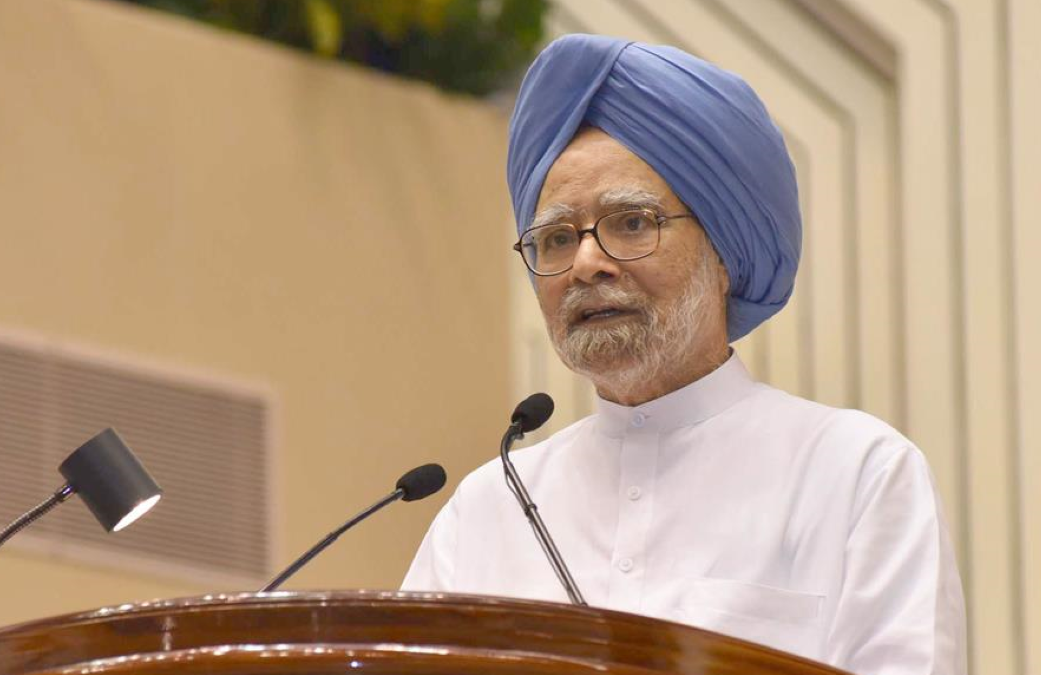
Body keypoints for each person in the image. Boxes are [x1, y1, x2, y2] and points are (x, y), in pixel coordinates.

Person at [401, 34, 966, 674]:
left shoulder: (853, 472)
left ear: (724, 252)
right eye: (556, 238)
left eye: (632, 223)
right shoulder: (486, 510)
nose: (586, 262)